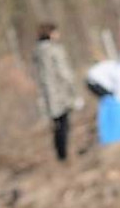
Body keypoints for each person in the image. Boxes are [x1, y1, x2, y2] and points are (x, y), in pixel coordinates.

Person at [33, 22, 83, 161]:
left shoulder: (37, 51)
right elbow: (64, 73)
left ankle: (61, 155)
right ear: (50, 34)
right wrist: (74, 92)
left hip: (47, 94)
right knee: (64, 124)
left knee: (57, 125)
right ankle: (64, 156)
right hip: (60, 93)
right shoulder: (55, 50)